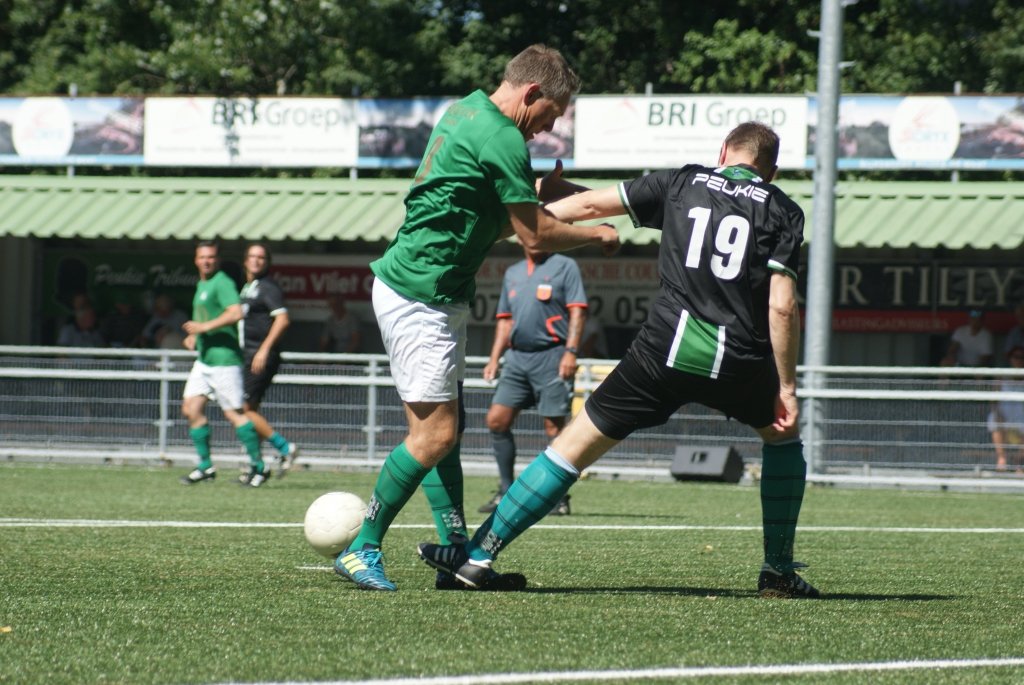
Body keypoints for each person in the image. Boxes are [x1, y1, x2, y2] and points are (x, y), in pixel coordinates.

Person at [418, 121, 821, 599]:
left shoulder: (680, 183)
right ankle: (777, 571)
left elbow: (590, 206)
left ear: (722, 152)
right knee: (781, 437)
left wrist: (519, 220)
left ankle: (481, 555)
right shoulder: (783, 210)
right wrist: (786, 387)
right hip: (738, 361)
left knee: (571, 448)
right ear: (770, 171)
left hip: (661, 355)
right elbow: (781, 307)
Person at [333, 44, 619, 592]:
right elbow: (534, 234)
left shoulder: (468, 110)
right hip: (423, 295)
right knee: (436, 434)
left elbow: (485, 204)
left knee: (446, 429)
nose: (544, 131)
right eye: (550, 116)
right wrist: (597, 236)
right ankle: (362, 546)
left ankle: (457, 551)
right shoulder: (502, 135)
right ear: (532, 94)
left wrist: (542, 192)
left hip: (425, 289)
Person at [477, 244, 587, 516]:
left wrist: (570, 352)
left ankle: (557, 497)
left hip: (552, 356)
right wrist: (494, 358)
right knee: (496, 420)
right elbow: (505, 321)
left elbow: (578, 311)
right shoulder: (513, 272)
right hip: (516, 358)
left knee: (554, 428)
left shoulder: (565, 265)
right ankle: (505, 490)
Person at [179, 241, 270, 488]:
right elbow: (203, 320)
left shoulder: (223, 282)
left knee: (235, 414)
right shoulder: (202, 284)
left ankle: (259, 467)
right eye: (202, 257)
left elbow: (236, 312)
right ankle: (206, 466)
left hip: (224, 360)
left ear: (217, 260)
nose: (206, 261)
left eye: (211, 257)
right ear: (196, 260)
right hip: (205, 359)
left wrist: (203, 328)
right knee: (190, 408)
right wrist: (195, 336)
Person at [238, 242, 299, 480]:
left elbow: (282, 319)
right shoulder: (248, 288)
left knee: (242, 410)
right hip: (248, 355)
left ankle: (286, 449)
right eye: (252, 256)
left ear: (267, 262)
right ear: (245, 260)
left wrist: (263, 350)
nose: (256, 260)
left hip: (260, 357)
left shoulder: (268, 287)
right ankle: (256, 466)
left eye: (261, 257)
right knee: (249, 411)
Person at [988, 345, 1024, 473]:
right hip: (1005, 414)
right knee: (994, 419)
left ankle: (1018, 463)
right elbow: (993, 400)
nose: (1019, 360)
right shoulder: (1001, 376)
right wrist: (997, 412)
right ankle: (1002, 459)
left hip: (1022, 416)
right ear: (1010, 359)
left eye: (1022, 357)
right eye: (1016, 357)